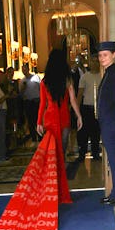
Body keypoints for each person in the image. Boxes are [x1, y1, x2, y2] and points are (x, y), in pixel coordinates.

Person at [36, 47, 81, 205]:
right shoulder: (67, 79)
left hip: (49, 119)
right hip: (64, 120)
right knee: (61, 155)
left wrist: (38, 122)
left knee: (51, 157)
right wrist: (79, 116)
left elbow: (43, 104)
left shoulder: (44, 81)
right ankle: (61, 191)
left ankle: (51, 190)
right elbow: (73, 100)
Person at [95, 41, 115, 204]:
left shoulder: (114, 74)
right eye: (100, 55)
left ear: (114, 54)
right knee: (113, 158)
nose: (102, 58)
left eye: (105, 55)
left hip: (111, 122)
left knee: (114, 159)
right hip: (108, 122)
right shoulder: (109, 73)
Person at [78, 60, 102, 161]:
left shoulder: (102, 76)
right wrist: (77, 110)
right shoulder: (85, 77)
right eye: (93, 62)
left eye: (97, 62)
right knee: (84, 132)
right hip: (86, 108)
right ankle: (82, 154)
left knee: (96, 132)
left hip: (98, 108)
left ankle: (95, 153)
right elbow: (80, 94)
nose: (95, 64)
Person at [20, 62, 41, 143]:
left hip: (36, 101)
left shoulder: (36, 77)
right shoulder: (22, 81)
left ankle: (40, 136)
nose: (24, 71)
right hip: (28, 102)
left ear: (28, 69)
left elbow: (41, 88)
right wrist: (23, 88)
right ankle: (33, 137)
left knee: (37, 119)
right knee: (30, 121)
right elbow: (21, 93)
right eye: (23, 70)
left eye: (25, 69)